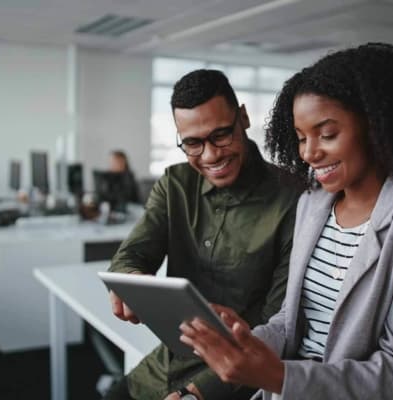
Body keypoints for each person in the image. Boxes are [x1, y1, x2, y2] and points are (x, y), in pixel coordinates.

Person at [180, 43, 393, 400]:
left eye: (327, 134)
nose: (309, 153)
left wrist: (281, 375)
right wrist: (244, 341)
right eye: (301, 138)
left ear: (376, 125)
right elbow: (290, 322)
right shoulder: (312, 205)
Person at [104, 69, 303, 400]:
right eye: (193, 143)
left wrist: (198, 393)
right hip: (167, 364)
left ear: (243, 117)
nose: (211, 156)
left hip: (237, 378)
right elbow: (130, 256)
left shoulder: (293, 200)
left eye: (221, 135)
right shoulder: (175, 184)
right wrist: (127, 280)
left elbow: (277, 324)